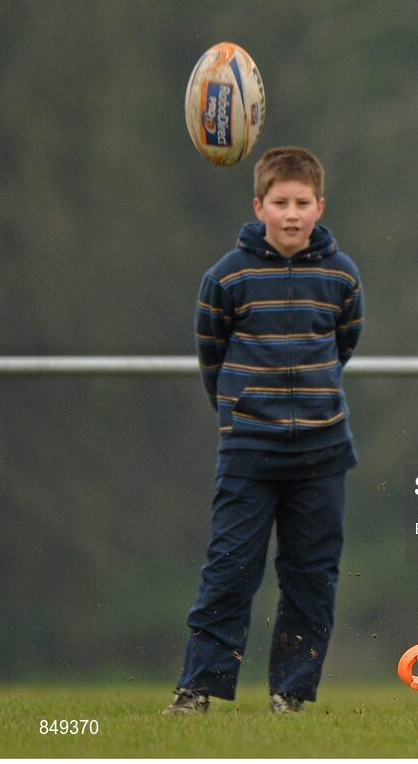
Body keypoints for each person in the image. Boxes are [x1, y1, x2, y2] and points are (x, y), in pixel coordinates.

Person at [164, 147, 364, 715]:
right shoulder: (227, 277)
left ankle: (292, 693)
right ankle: (198, 687)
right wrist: (243, 412)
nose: (293, 213)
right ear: (259, 206)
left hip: (323, 453)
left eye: (303, 203)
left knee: (311, 577)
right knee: (230, 568)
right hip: (249, 450)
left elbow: (344, 343)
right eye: (281, 203)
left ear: (319, 206)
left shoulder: (341, 275)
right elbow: (212, 356)